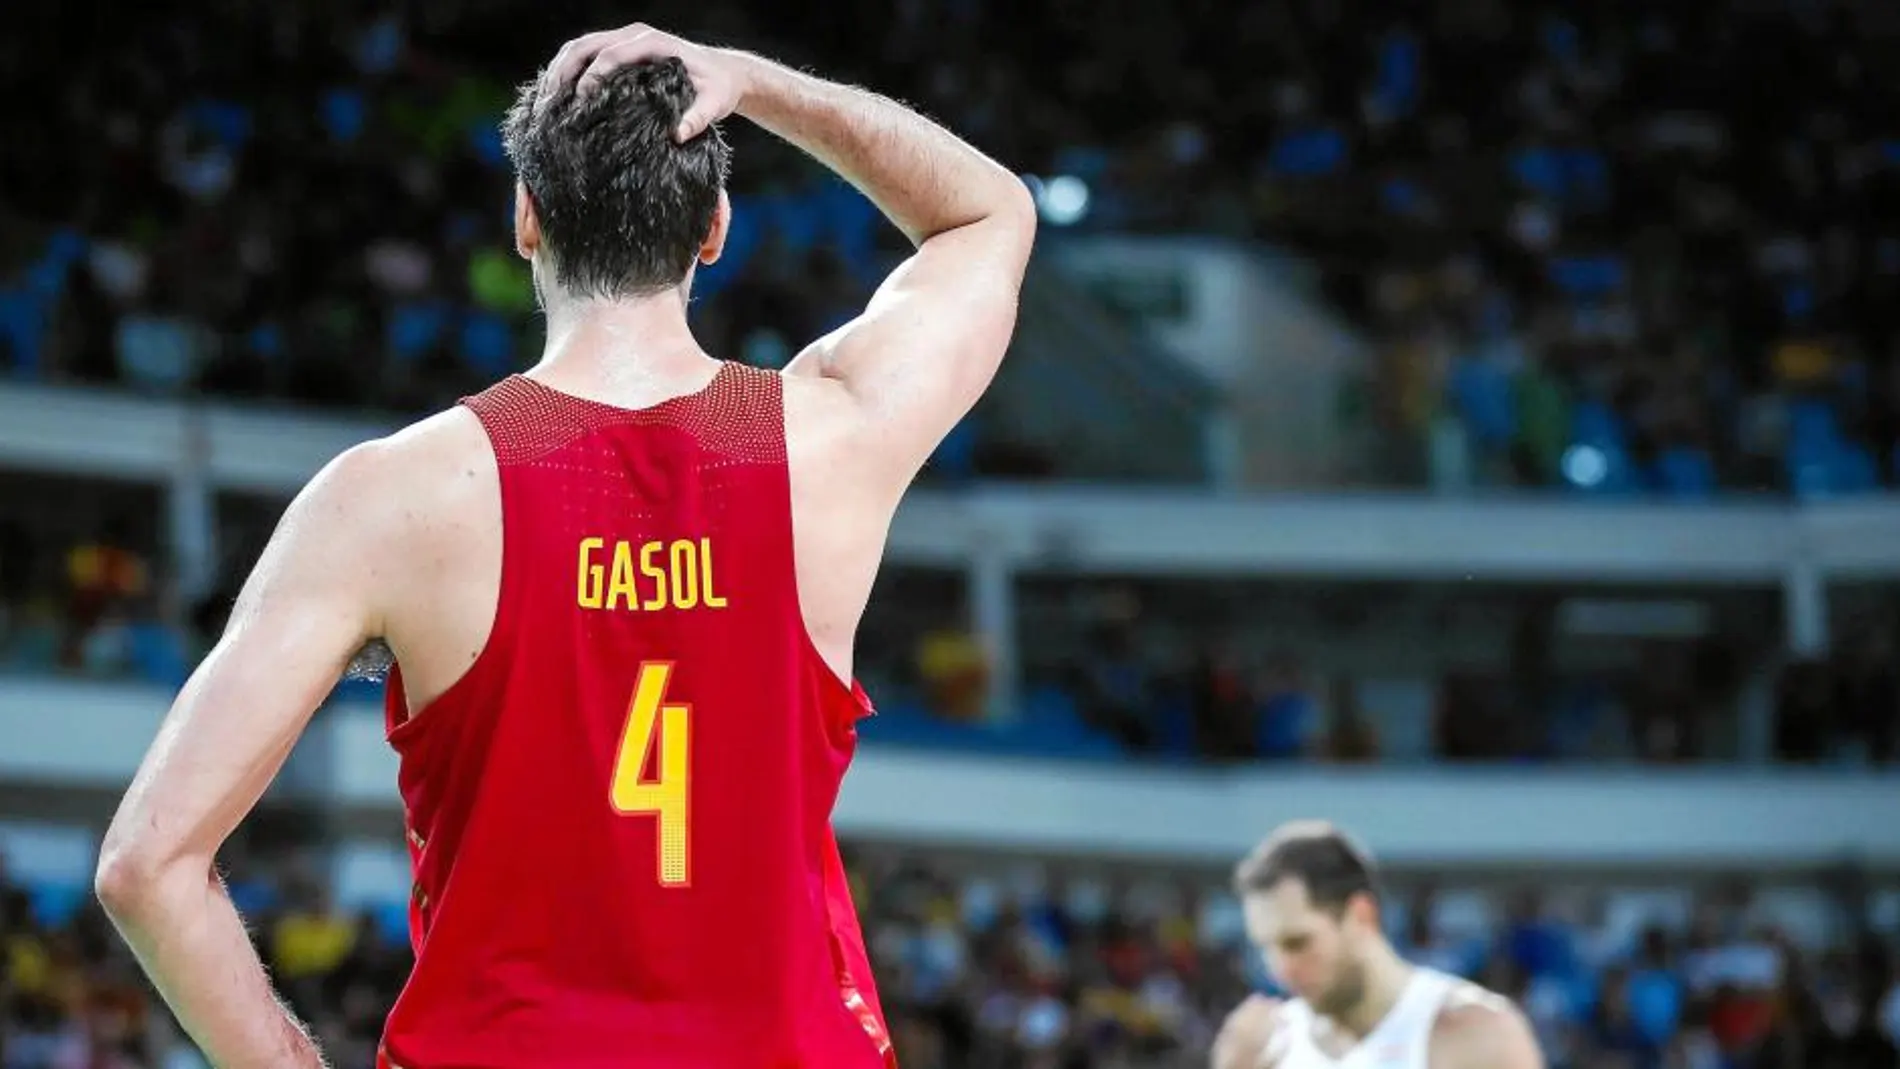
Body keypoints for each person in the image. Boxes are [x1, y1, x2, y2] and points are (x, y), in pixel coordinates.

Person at [93, 23, 1036, 1069]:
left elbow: (147, 864)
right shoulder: (834, 436)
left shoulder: (390, 495)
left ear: (527, 219)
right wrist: (757, 82)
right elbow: (989, 214)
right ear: (715, 227)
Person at [1211, 821, 1545, 1069]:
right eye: (1265, 948)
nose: (1280, 969)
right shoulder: (1267, 1051)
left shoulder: (1472, 1033)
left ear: (1360, 916)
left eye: (1297, 943)